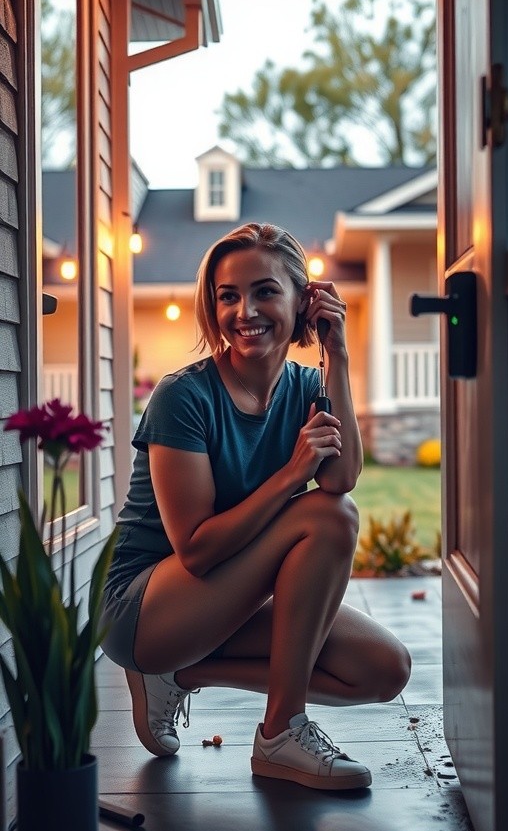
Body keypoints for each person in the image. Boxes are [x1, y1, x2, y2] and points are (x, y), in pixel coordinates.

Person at [100, 222, 411, 791]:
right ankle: (280, 734)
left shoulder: (302, 388)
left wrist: (336, 353)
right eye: (228, 296)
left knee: (384, 669)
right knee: (328, 516)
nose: (246, 310)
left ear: (303, 301)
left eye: (266, 291)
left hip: (227, 597)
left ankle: (186, 673)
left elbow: (341, 475)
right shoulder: (184, 396)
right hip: (145, 606)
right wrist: (292, 474)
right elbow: (195, 550)